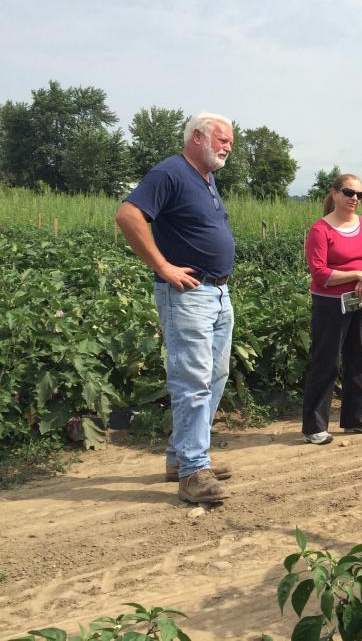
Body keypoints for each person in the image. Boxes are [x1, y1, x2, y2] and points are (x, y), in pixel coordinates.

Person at [115, 112, 237, 504]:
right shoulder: (170, 172)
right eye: (222, 139)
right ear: (197, 137)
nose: (228, 146)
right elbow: (128, 214)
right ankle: (192, 473)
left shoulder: (206, 179)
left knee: (215, 375)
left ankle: (182, 457)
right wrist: (163, 266)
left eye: (230, 141)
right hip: (189, 294)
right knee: (193, 380)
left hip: (217, 294)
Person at [302, 174, 362, 445]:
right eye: (349, 192)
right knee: (326, 360)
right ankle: (314, 425)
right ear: (335, 193)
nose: (354, 199)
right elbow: (320, 273)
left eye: (359, 195)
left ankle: (355, 418)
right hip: (331, 304)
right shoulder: (321, 230)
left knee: (358, 358)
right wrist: (357, 275)